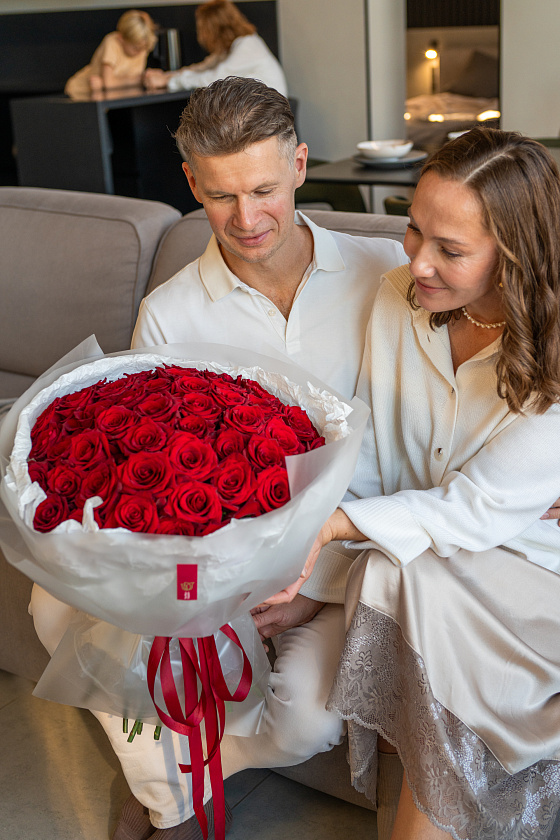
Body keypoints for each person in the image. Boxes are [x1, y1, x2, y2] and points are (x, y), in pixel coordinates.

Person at [29, 76, 405, 840]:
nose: (247, 219)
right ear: (191, 181)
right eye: (222, 195)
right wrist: (212, 596)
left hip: (348, 557)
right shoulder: (170, 312)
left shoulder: (388, 272)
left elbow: (407, 458)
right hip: (210, 562)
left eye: (264, 190)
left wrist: (313, 593)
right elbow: (152, 479)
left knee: (306, 723)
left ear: (300, 165)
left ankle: (169, 782)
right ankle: (169, 794)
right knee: (50, 603)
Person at [287, 127, 560, 840]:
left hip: (535, 576)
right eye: (413, 230)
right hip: (433, 563)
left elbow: (476, 507)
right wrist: (313, 583)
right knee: (399, 571)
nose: (418, 261)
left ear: (515, 258)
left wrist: (333, 528)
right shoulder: (397, 300)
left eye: (451, 249)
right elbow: (369, 461)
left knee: (400, 572)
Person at [143, 0, 287, 96]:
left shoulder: (247, 45)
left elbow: (213, 79)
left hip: (270, 115)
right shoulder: (229, 48)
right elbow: (202, 68)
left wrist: (168, 82)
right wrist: (167, 76)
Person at [64, 10, 157, 99]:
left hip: (109, 96)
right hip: (78, 92)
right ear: (121, 38)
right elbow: (108, 84)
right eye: (136, 48)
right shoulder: (112, 42)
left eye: (144, 48)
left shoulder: (142, 47)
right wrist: (138, 80)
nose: (141, 52)